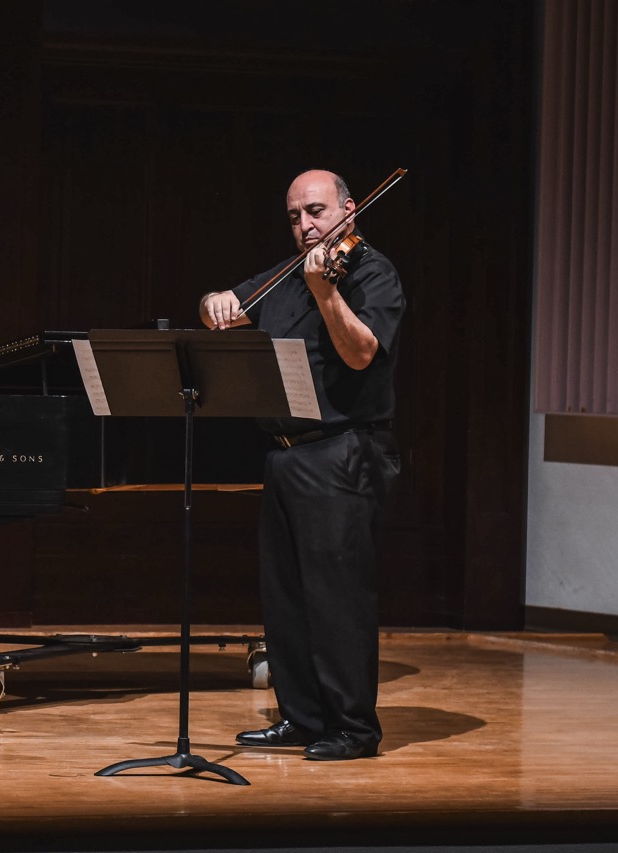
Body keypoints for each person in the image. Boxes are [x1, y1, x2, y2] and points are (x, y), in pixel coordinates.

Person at [199, 169, 404, 761]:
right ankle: (304, 716)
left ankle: (354, 729)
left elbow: (362, 353)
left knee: (337, 597)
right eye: (294, 216)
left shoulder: (370, 273)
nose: (305, 225)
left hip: (344, 451)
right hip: (287, 454)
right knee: (286, 595)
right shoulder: (288, 275)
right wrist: (217, 302)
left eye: (315, 211)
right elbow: (234, 306)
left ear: (349, 209)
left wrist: (325, 293)